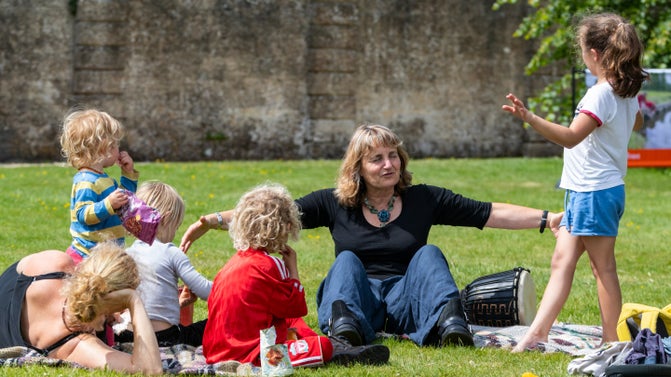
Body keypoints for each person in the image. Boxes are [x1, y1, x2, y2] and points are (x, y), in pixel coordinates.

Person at [181, 124, 561, 349]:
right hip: (358, 299)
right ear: (358, 168)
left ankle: (447, 322)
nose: (388, 164)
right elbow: (268, 213)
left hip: (407, 300)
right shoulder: (333, 204)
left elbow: (487, 212)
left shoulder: (423, 198)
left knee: (428, 255)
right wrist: (210, 220)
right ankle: (345, 328)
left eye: (393, 156)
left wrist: (548, 218)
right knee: (346, 261)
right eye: (377, 158)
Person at [502, 13, 647, 352]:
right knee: (561, 262)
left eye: (582, 50)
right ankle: (537, 334)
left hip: (594, 192)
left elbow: (570, 138)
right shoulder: (624, 90)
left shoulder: (600, 94)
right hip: (587, 191)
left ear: (594, 55)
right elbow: (637, 124)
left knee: (603, 270)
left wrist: (529, 117)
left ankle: (612, 343)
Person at [202, 183, 389, 367]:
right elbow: (297, 307)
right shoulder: (268, 265)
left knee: (292, 323)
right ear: (284, 227)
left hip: (214, 350)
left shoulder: (232, 263)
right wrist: (293, 270)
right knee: (321, 346)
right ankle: (334, 348)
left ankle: (337, 345)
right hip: (251, 355)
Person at [0, 241, 162, 374]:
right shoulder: (77, 344)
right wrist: (134, 301)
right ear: (116, 299)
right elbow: (150, 370)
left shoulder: (53, 264)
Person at [116, 180, 212, 346]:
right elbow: (206, 292)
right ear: (166, 219)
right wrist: (229, 288)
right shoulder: (170, 251)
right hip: (164, 338)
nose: (175, 233)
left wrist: (179, 303)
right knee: (213, 324)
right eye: (176, 226)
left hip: (126, 335)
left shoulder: (125, 254)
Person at [59, 108, 139, 264]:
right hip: (88, 256)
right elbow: (82, 215)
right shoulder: (86, 181)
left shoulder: (103, 179)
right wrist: (108, 204)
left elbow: (124, 203)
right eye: (115, 145)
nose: (118, 150)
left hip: (106, 254)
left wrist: (128, 173)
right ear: (103, 147)